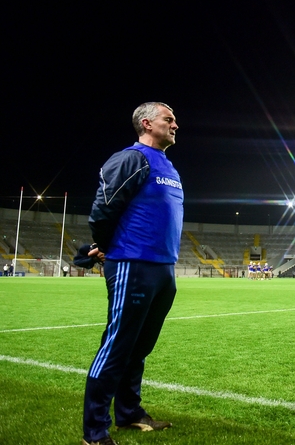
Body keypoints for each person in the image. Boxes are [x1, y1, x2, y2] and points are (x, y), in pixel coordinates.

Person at [81, 102, 182, 445]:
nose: (175, 125)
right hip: (132, 265)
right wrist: (105, 243)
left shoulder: (167, 165)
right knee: (117, 346)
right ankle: (94, 432)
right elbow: (103, 208)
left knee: (139, 348)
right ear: (146, 123)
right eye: (168, 119)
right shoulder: (131, 158)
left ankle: (130, 414)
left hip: (163, 269)